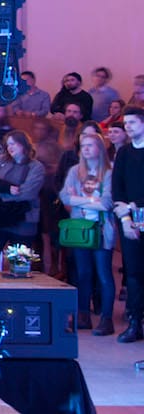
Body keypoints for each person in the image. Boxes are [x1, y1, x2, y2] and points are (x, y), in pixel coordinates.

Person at [59, 130, 116, 336]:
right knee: (82, 274)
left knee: (103, 275)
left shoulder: (109, 172)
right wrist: (93, 201)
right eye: (83, 146)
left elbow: (108, 202)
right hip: (80, 229)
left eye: (90, 145)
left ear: (100, 148)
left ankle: (106, 318)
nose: (86, 149)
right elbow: (65, 196)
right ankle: (82, 315)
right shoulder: (75, 171)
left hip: (101, 229)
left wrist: (81, 200)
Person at [112, 107, 144, 343]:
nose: (128, 127)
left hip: (138, 211)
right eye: (126, 123)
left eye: (132, 122)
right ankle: (135, 322)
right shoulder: (123, 152)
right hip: (129, 221)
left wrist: (132, 206)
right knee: (133, 273)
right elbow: (117, 188)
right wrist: (125, 219)